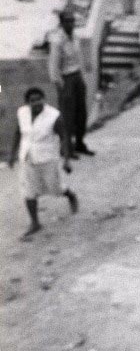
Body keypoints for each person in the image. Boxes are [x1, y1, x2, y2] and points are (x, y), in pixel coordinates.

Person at [8, 87, 78, 240]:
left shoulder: (53, 116)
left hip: (47, 158)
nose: (36, 103)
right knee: (29, 191)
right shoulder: (22, 113)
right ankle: (35, 223)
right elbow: (18, 132)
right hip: (27, 157)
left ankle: (70, 195)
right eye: (32, 101)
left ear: (44, 99)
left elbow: (64, 137)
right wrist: (12, 154)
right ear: (27, 103)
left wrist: (66, 159)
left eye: (39, 99)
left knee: (54, 188)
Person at [48, 9, 95, 158]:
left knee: (81, 113)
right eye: (67, 21)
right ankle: (66, 149)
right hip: (65, 78)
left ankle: (80, 143)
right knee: (67, 116)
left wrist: (82, 77)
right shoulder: (57, 41)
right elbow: (53, 66)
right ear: (61, 23)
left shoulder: (75, 37)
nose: (71, 24)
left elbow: (79, 58)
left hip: (77, 77)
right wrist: (59, 85)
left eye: (72, 21)